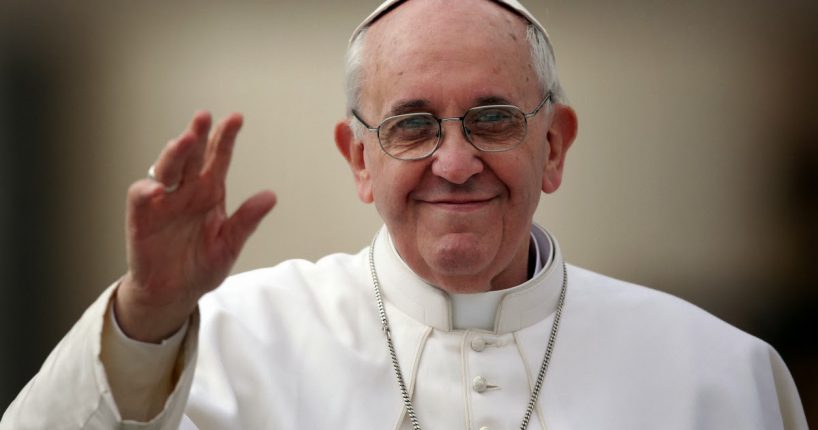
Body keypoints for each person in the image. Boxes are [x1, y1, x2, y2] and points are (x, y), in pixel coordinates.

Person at [1, 0, 808, 429]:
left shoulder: (717, 375)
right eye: (413, 126)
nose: (454, 163)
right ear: (360, 159)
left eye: (492, 119)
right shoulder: (233, 343)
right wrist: (145, 316)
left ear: (554, 146)